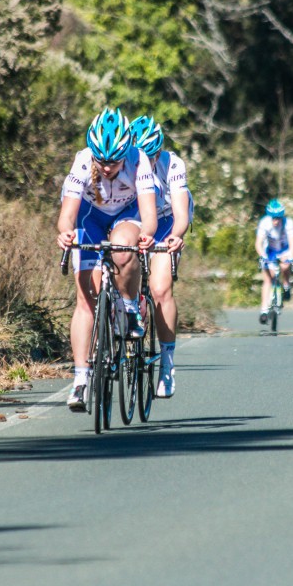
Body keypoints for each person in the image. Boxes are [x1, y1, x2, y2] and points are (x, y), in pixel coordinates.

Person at [57, 106, 157, 411]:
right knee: (86, 299)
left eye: (114, 162)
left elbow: (149, 214)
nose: (107, 167)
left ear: (126, 153)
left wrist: (147, 235)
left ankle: (128, 306)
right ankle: (81, 380)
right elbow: (68, 214)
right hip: (90, 216)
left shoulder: (138, 160)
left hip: (127, 213)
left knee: (123, 248)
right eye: (101, 161)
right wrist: (65, 233)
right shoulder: (82, 160)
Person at [130, 115, 193, 399]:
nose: (147, 161)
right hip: (136, 219)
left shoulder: (173, 164)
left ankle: (167, 364)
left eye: (152, 155)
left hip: (167, 222)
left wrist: (176, 236)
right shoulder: (125, 162)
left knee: (160, 289)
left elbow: (181, 213)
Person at [255, 199, 293, 323]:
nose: (276, 221)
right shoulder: (264, 223)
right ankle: (264, 310)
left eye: (278, 218)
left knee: (285, 267)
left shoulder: (288, 223)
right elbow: (258, 243)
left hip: (284, 249)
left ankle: (286, 285)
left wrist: (290, 257)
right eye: (273, 218)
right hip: (270, 250)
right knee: (268, 278)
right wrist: (262, 256)